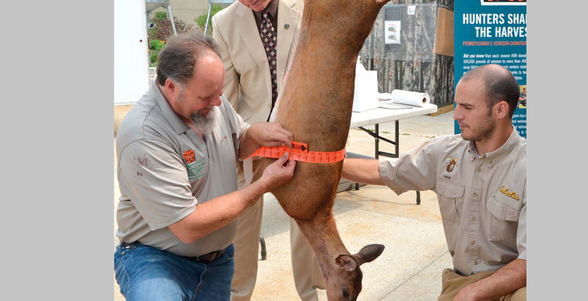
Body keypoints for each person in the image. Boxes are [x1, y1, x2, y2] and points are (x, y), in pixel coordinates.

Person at [114, 33, 298, 301]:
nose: (217, 102)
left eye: (220, 92)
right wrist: (263, 185)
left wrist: (254, 134)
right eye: (206, 96)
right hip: (156, 261)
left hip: (218, 261)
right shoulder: (145, 135)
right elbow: (188, 226)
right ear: (171, 86)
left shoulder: (211, 104)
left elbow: (238, 145)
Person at [342, 64, 527, 301]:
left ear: (500, 110)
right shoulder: (444, 152)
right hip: (459, 282)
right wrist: (324, 164)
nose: (457, 114)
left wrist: (473, 293)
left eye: (467, 107)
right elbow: (383, 171)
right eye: (457, 104)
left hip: (510, 285)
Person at [211, 1, 328, 300]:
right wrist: (234, 145)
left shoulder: (307, 7)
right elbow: (225, 95)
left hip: (304, 136)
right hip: (253, 136)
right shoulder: (224, 22)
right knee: (240, 226)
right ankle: (237, 295)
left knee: (308, 224)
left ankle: (311, 292)